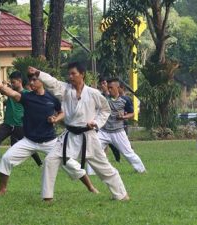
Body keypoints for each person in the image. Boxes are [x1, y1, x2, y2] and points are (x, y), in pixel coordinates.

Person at [28, 62, 129, 201]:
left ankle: (121, 195)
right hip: (69, 135)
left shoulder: (93, 93)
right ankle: (47, 197)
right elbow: (53, 82)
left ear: (82, 74)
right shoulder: (65, 90)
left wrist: (96, 123)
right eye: (69, 74)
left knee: (103, 167)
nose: (70, 77)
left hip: (88, 135)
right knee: (50, 160)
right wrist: (39, 73)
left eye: (73, 74)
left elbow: (105, 110)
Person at [0, 74, 98, 196]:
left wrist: (56, 119)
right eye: (30, 80)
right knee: (6, 158)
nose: (31, 82)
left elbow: (62, 112)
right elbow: (13, 94)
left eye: (34, 80)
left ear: (42, 82)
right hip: (29, 141)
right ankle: (2, 189)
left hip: (50, 142)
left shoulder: (52, 98)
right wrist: (1, 87)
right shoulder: (27, 97)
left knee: (71, 163)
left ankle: (91, 187)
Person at [0, 71, 42, 169]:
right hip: (7, 124)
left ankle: (40, 164)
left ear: (19, 81)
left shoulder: (27, 94)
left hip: (20, 125)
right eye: (11, 82)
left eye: (13, 82)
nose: (12, 84)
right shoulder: (9, 91)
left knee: (29, 146)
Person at [96, 78, 145, 173]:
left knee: (128, 153)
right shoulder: (104, 98)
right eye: (108, 87)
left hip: (118, 132)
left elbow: (132, 113)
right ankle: (93, 173)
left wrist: (123, 117)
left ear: (118, 88)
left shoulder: (125, 100)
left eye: (111, 87)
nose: (109, 89)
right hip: (103, 131)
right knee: (94, 151)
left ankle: (141, 170)